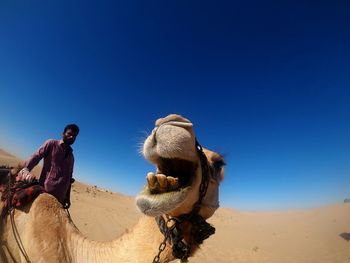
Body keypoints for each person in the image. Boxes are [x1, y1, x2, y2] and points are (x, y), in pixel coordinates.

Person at [21, 124, 80, 209]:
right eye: (69, 134)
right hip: (44, 194)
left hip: (60, 200)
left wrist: (67, 197)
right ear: (63, 134)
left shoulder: (71, 157)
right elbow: (36, 156)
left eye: (74, 136)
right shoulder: (51, 144)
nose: (71, 137)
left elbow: (69, 179)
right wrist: (26, 169)